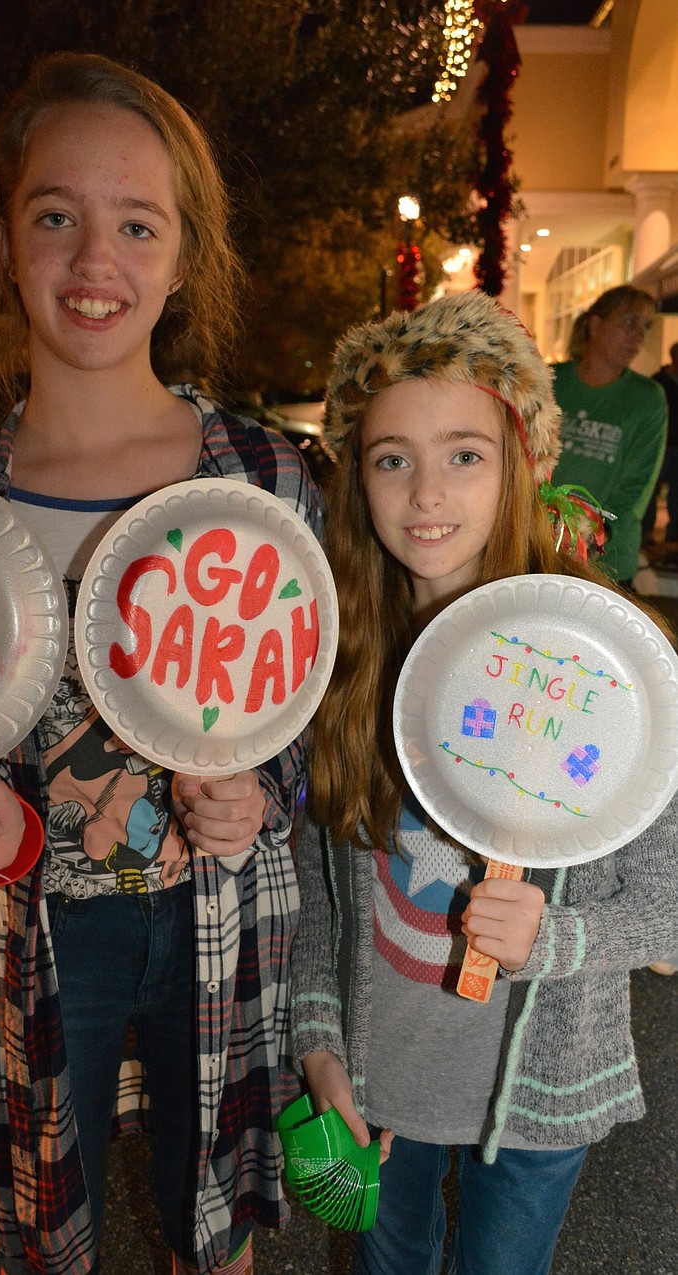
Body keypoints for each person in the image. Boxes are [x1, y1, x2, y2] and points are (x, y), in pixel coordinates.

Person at [0, 52, 322, 1275]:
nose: (96, 261)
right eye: (56, 217)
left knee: (221, 1210)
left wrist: (265, 790)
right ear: (3, 240)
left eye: (136, 223)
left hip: (224, 922)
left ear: (183, 254)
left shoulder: (266, 483)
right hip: (34, 941)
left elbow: (306, 717)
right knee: (45, 1214)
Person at [289, 290, 678, 1275]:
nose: (426, 493)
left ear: (522, 466)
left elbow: (668, 913)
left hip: (542, 1098)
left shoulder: (601, 663)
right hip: (385, 1082)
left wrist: (556, 939)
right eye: (391, 459)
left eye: (463, 454)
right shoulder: (343, 661)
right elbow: (318, 890)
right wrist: (320, 1037)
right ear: (357, 480)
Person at [550, 285, 668, 589]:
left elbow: (637, 486)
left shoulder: (647, 398)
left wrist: (591, 532)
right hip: (541, 545)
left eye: (645, 326)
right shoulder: (549, 381)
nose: (639, 335)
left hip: (606, 560)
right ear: (595, 324)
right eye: (629, 322)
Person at [643, 340, 678, 553]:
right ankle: (646, 534)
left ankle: (673, 534)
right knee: (649, 491)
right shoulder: (658, 383)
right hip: (662, 445)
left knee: (676, 493)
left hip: (676, 445)